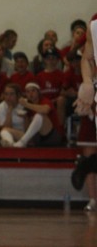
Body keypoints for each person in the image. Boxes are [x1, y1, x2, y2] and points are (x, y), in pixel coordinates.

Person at [72, 13, 97, 209]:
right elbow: (87, 58)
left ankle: (87, 164)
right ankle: (88, 164)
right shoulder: (95, 22)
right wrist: (87, 84)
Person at [16, 82, 64, 147]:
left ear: (38, 92)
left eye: (33, 91)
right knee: (6, 130)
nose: (30, 94)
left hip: (53, 136)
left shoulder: (45, 101)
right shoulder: (28, 107)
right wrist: (25, 117)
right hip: (37, 138)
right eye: (28, 92)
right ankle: (11, 145)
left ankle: (22, 141)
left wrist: (26, 104)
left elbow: (45, 110)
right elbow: (28, 129)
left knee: (40, 115)